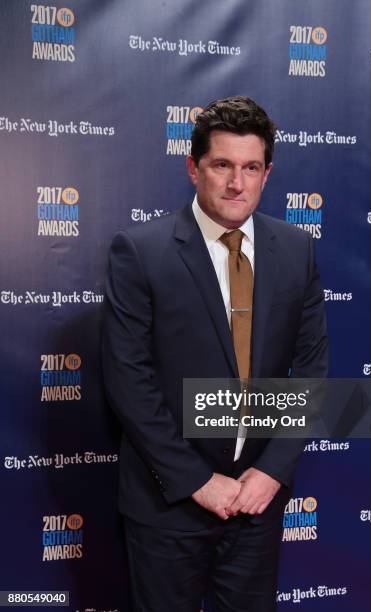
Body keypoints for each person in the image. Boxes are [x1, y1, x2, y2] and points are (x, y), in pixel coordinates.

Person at [102, 95, 328, 611]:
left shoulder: (297, 248)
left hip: (256, 503)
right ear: (193, 167)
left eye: (251, 167)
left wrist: (271, 472)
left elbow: (312, 369)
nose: (236, 183)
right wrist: (197, 481)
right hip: (168, 505)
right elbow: (127, 380)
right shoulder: (140, 250)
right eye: (222, 165)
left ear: (267, 173)